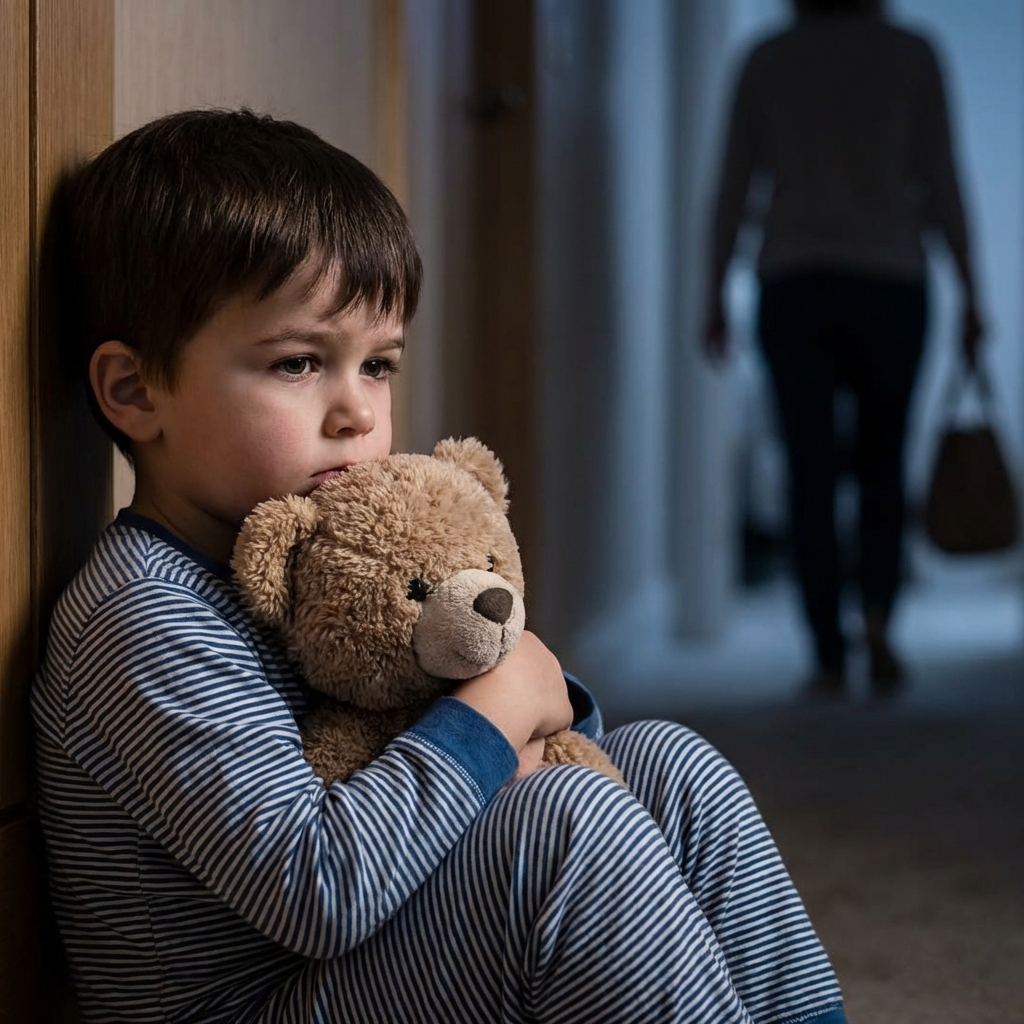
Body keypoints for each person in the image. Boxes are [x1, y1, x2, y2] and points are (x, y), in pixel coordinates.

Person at [32, 109, 847, 1024]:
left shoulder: (331, 566)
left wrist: (520, 717)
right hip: (263, 999)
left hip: (368, 960)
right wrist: (496, 709)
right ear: (136, 392)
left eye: (377, 366)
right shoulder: (145, 615)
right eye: (299, 363)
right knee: (562, 836)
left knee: (670, 763)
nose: (357, 413)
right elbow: (316, 890)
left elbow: (550, 757)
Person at [705, 0, 981, 694]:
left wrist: (712, 293)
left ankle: (828, 649)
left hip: (795, 285)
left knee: (811, 470)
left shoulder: (769, 59)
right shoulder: (913, 53)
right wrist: (975, 293)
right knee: (884, 463)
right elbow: (943, 176)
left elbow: (734, 186)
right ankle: (881, 621)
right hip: (891, 281)